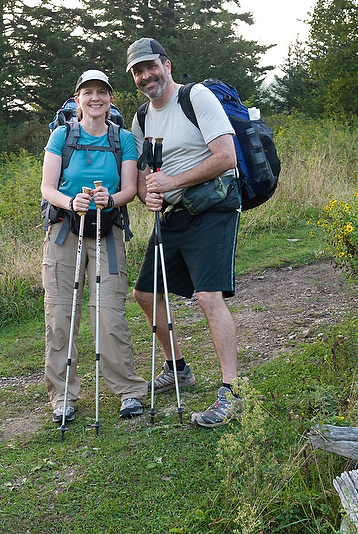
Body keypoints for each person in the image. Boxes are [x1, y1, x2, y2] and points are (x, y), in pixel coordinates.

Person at [125, 38, 242, 428]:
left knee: (208, 296)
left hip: (212, 209)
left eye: (150, 67)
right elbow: (144, 179)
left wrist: (171, 182)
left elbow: (225, 156)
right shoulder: (141, 119)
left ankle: (231, 391)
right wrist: (148, 196)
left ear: (167, 65)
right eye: (138, 72)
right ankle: (178, 369)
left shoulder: (197, 98)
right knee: (144, 294)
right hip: (173, 217)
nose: (146, 76)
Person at [41, 69, 147, 423]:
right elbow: (47, 188)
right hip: (64, 232)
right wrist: (71, 202)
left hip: (108, 230)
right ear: (77, 99)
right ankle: (63, 398)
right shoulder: (61, 136)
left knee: (110, 313)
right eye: (88, 92)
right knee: (60, 314)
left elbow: (130, 190)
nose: (95, 98)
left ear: (111, 99)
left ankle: (128, 392)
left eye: (102, 92)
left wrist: (110, 198)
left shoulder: (124, 139)